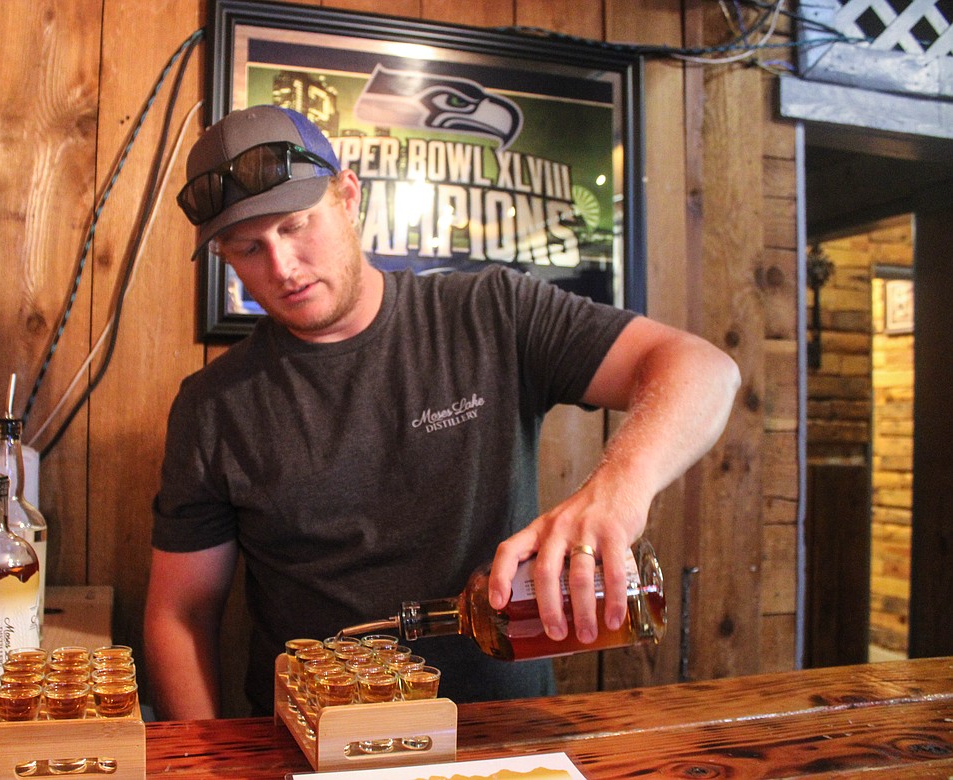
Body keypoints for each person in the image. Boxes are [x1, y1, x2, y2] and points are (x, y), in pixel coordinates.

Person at [145, 105, 740, 720]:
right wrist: (206, 761)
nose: (281, 267)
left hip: (500, 737)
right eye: (248, 248)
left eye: (297, 226)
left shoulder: (490, 314)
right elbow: (180, 615)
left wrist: (617, 491)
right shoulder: (212, 406)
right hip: (313, 738)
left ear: (347, 196)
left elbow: (704, 371)